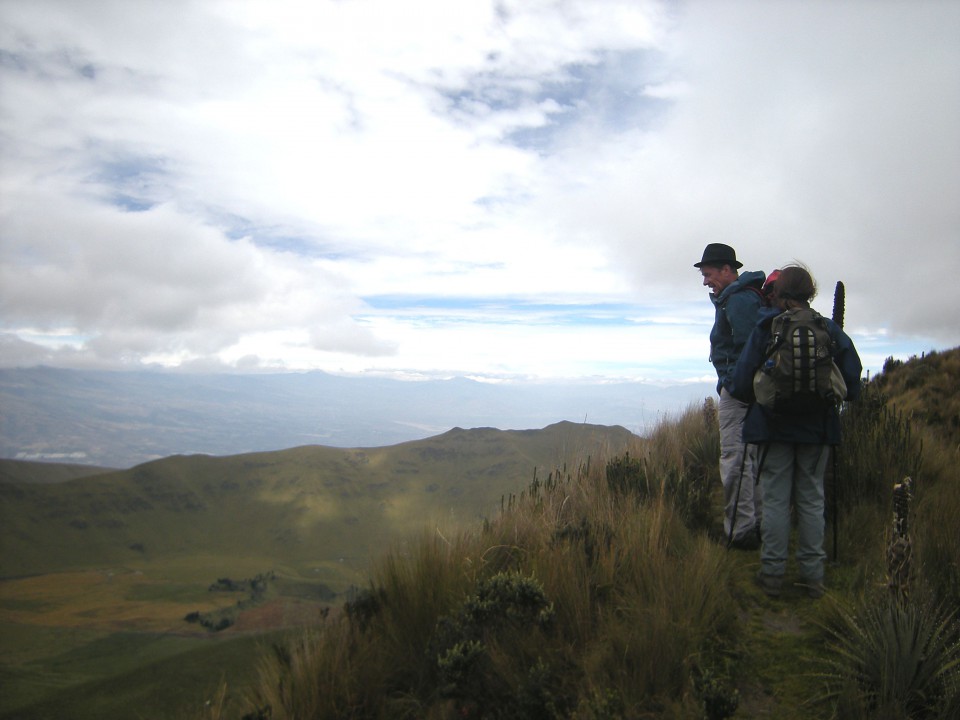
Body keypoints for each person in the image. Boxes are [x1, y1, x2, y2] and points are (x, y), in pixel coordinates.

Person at [730, 263, 862, 598]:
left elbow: (743, 380)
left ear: (778, 293)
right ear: (810, 293)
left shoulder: (766, 326)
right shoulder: (827, 327)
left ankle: (772, 575)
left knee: (774, 499)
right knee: (811, 498)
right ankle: (813, 577)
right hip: (818, 429)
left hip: (772, 427)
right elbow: (852, 374)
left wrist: (752, 398)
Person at [694, 243, 766, 549]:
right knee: (749, 458)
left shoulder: (737, 301)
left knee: (734, 458)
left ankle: (740, 532)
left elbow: (752, 347)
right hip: (748, 391)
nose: (705, 281)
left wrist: (734, 385)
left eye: (709, 274)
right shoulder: (738, 299)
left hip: (740, 394)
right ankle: (753, 524)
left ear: (727, 270)